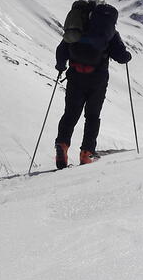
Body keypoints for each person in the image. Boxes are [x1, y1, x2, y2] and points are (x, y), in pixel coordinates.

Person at [54, 11, 131, 168]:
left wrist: (60, 66)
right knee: (92, 116)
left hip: (75, 77)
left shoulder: (76, 28)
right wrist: (127, 56)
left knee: (70, 113)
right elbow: (121, 57)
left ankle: (62, 145)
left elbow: (62, 49)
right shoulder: (109, 31)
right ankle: (86, 153)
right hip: (97, 80)